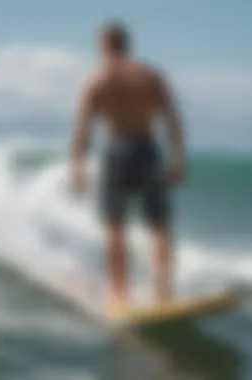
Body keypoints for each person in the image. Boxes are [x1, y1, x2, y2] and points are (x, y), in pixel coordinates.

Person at [69, 21, 185, 314]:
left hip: (115, 150)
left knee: (114, 228)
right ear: (128, 45)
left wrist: (78, 170)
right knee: (158, 224)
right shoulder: (150, 76)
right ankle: (163, 292)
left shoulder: (97, 81)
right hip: (147, 148)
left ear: (103, 46)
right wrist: (177, 159)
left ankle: (120, 294)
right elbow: (172, 119)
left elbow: (82, 130)